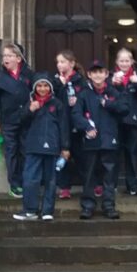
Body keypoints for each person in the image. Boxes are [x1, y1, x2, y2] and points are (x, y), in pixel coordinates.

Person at [14, 73, 70, 221]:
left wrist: (65, 147)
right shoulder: (31, 102)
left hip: (52, 147)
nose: (43, 89)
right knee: (30, 178)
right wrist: (30, 110)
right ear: (35, 88)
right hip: (33, 146)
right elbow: (21, 121)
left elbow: (64, 126)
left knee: (50, 180)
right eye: (39, 86)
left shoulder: (57, 104)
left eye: (46, 86)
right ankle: (30, 210)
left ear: (50, 87)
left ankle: (47, 211)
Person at [72, 59, 124, 220]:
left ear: (106, 74)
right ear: (89, 74)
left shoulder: (114, 92)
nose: (98, 75)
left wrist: (108, 104)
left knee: (109, 175)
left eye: (101, 72)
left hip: (109, 139)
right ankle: (88, 206)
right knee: (89, 175)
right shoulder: (83, 94)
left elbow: (125, 108)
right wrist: (86, 127)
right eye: (94, 72)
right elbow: (76, 114)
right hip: (91, 141)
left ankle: (108, 206)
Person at [0, 41, 34, 198]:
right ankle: (15, 185)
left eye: (9, 55)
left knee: (27, 151)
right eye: (4, 55)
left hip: (27, 120)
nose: (5, 58)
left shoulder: (29, 75)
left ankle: (28, 182)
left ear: (18, 58)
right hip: (8, 121)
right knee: (11, 152)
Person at [112, 47, 137, 196]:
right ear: (116, 61)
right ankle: (112, 185)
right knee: (114, 154)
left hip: (133, 120)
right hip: (115, 120)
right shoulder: (110, 76)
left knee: (132, 154)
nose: (124, 63)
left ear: (132, 61)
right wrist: (113, 83)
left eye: (127, 60)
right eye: (121, 60)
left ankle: (132, 186)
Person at [51, 50, 85, 200]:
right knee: (62, 156)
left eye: (63, 62)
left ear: (71, 64)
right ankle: (64, 187)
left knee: (81, 155)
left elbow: (85, 99)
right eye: (58, 62)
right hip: (60, 124)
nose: (59, 65)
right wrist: (61, 86)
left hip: (77, 124)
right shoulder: (54, 81)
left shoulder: (80, 80)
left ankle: (90, 184)